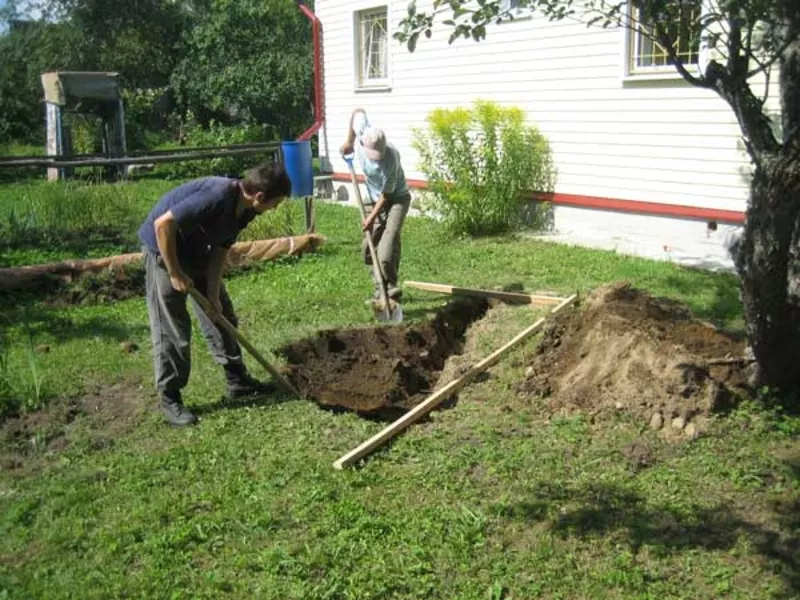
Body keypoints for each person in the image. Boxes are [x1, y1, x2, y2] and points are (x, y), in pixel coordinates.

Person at [138, 162, 292, 427]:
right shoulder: (216, 196)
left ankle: (237, 381)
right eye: (275, 203)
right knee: (172, 327)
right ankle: (170, 398)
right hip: (164, 251)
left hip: (198, 251)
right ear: (260, 197)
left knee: (222, 315)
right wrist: (175, 272)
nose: (275, 209)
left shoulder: (246, 211)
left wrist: (213, 294)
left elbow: (221, 248)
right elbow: (163, 225)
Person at [340, 108, 411, 303]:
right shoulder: (364, 135)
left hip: (397, 199)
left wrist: (371, 218)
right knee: (367, 249)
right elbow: (357, 112)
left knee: (387, 247)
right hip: (372, 198)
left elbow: (386, 195)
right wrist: (349, 141)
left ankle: (391, 287)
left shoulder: (392, 157)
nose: (377, 157)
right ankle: (379, 289)